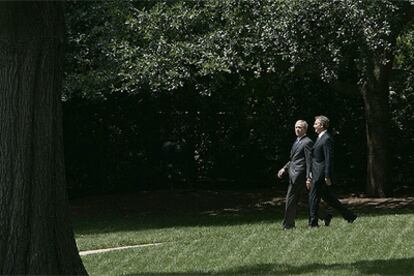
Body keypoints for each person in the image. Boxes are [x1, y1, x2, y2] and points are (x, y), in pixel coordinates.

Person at [307, 115, 357, 227]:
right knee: (330, 198)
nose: (314, 125)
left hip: (320, 173)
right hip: (316, 172)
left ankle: (313, 223)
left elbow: (329, 158)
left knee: (313, 197)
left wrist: (327, 175)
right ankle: (349, 215)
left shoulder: (327, 138)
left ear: (321, 125)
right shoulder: (320, 137)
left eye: (316, 123)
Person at [278, 120, 313, 230]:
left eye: (300, 127)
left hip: (299, 176)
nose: (297, 129)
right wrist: (284, 168)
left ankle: (288, 225)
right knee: (308, 199)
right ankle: (326, 216)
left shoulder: (307, 142)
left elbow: (309, 161)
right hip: (293, 175)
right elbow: (293, 160)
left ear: (305, 129)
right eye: (296, 127)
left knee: (290, 200)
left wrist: (309, 177)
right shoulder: (297, 141)